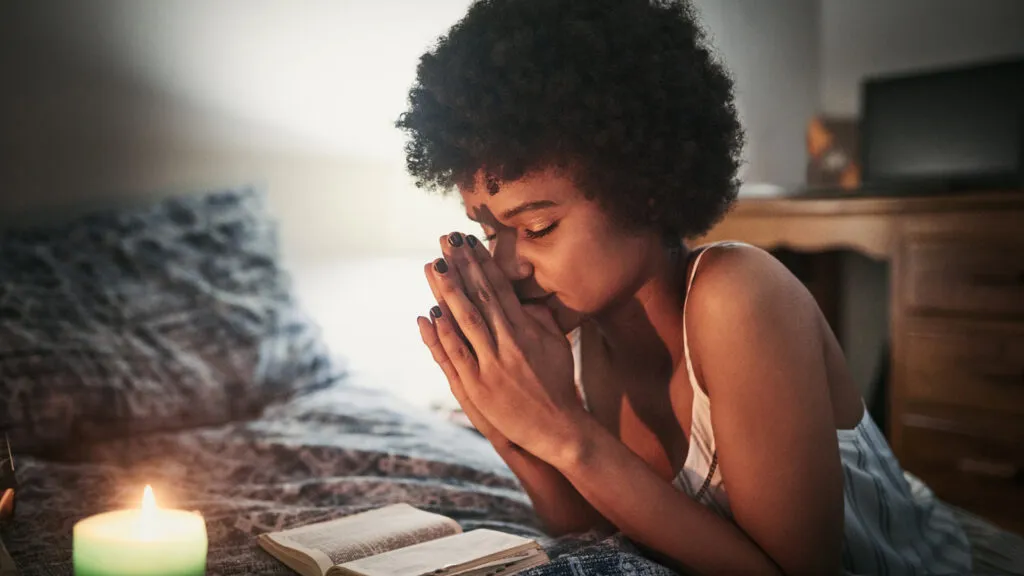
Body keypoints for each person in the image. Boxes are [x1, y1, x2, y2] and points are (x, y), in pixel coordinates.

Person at [396, 1, 972, 574]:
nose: (508, 265)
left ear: (643, 190)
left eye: (538, 227)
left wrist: (566, 432)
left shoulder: (737, 295)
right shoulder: (564, 339)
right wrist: (515, 436)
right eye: (490, 232)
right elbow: (592, 537)